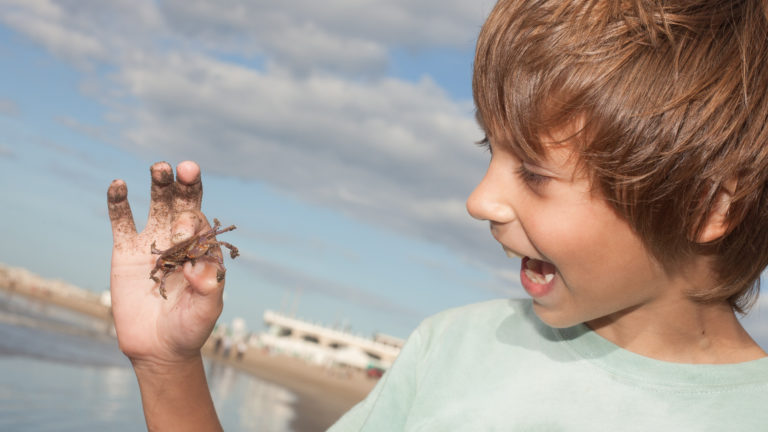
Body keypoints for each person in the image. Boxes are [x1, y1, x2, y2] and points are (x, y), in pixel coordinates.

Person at [107, 0, 768, 430]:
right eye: (492, 150)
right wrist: (167, 365)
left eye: (534, 174)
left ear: (709, 205)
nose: (479, 200)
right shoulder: (452, 350)